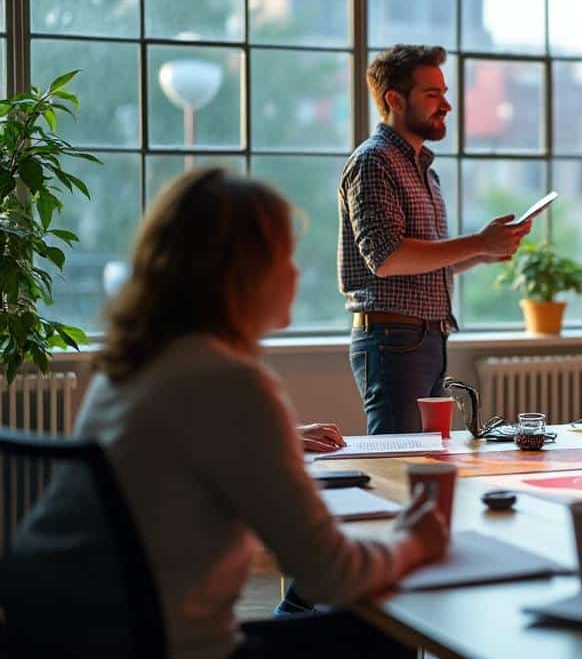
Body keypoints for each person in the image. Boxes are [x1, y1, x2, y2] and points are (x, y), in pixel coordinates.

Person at [5, 169, 446, 659]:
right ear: (239, 272)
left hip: (70, 636)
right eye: (282, 257)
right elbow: (331, 573)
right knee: (386, 634)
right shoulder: (230, 381)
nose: (297, 273)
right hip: (173, 647)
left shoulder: (137, 362)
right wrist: (415, 541)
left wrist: (278, 436)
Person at [341, 44, 531, 435]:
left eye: (444, 93)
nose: (446, 105)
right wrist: (478, 243)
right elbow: (388, 257)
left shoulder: (425, 170)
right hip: (394, 341)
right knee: (399, 461)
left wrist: (484, 252)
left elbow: (426, 261)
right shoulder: (374, 161)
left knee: (425, 459)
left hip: (424, 338)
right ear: (395, 99)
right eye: (432, 94)